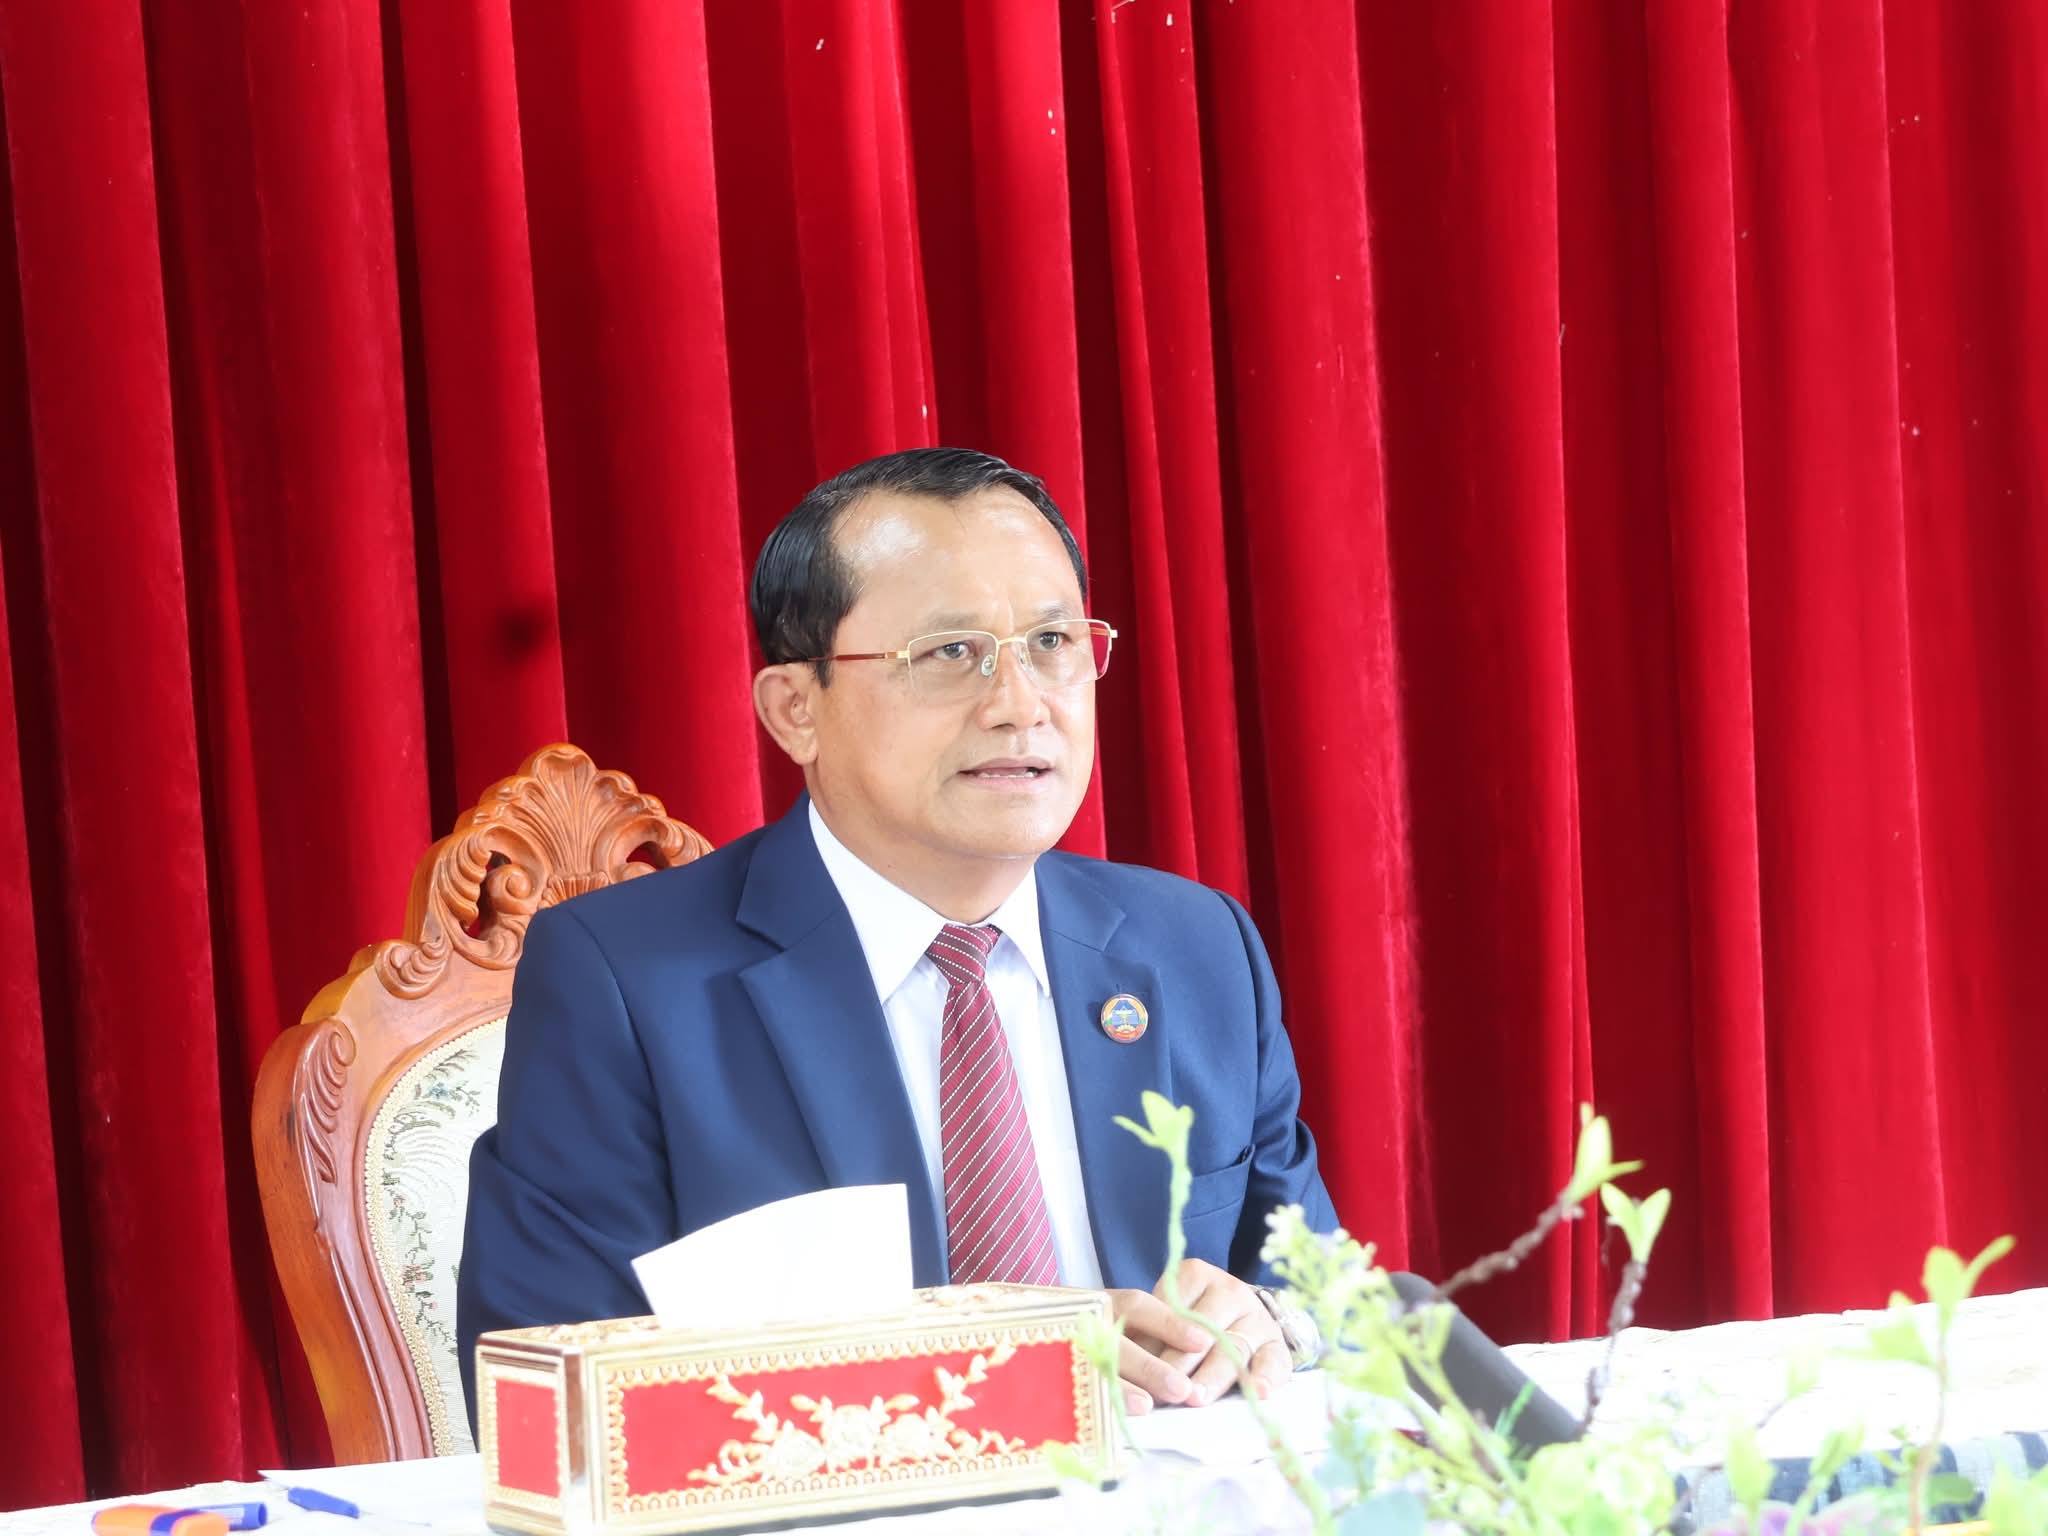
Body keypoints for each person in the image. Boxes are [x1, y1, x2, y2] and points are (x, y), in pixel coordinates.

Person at [456, 447, 1341, 1427]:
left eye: (1052, 641)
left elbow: (1330, 1301)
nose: (1020, 705)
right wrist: (998, 1373)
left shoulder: (1197, 948)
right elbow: (543, 1399)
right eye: (950, 653)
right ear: (796, 710)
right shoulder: (626, 983)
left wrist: (1278, 1322)